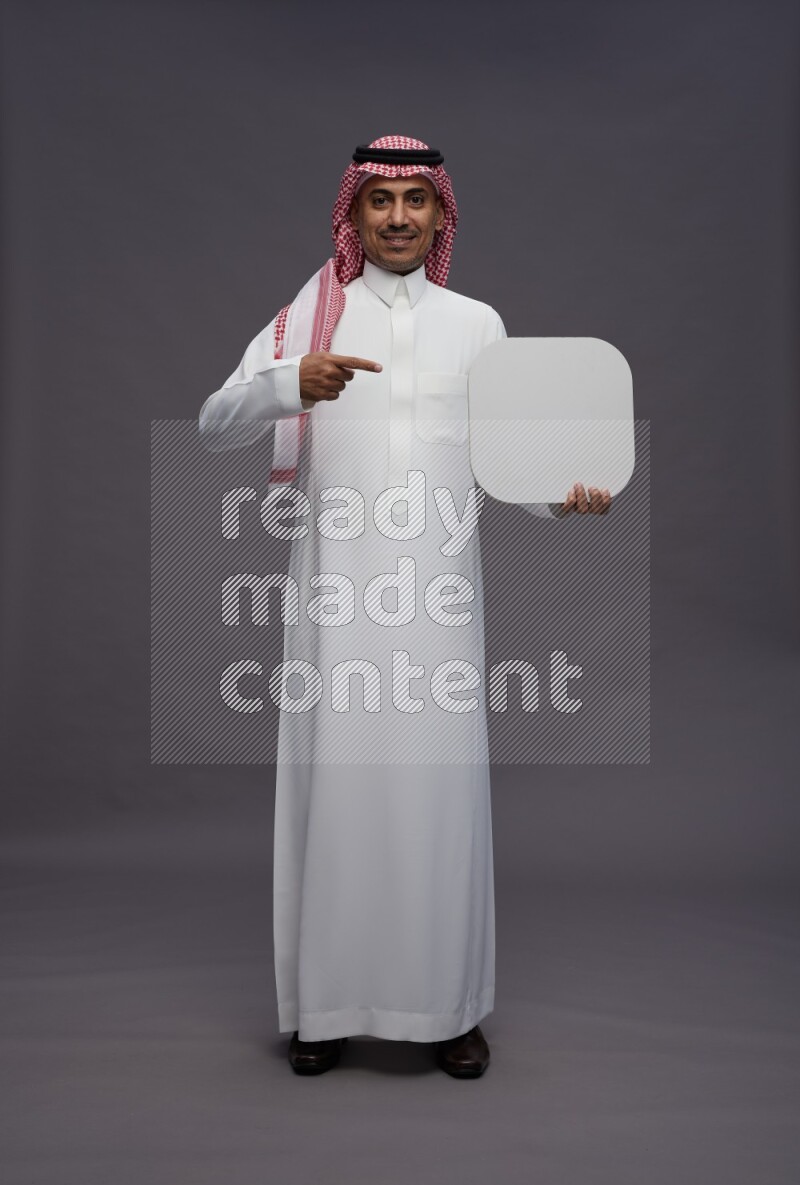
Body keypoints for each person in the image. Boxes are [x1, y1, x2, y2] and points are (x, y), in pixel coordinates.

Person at [198, 135, 610, 1079]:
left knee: (438, 803)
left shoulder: (478, 323)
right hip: (335, 602)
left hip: (437, 607)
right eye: (377, 200)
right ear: (352, 214)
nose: (395, 218)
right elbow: (215, 422)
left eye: (414, 200)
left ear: (439, 213)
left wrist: (568, 494)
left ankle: (447, 1010)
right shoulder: (312, 313)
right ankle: (324, 1009)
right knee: (333, 798)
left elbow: (516, 464)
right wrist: (283, 383)